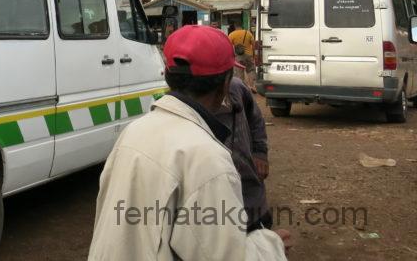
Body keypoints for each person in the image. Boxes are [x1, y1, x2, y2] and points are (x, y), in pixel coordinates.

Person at [88, 25, 290, 260]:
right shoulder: (208, 157)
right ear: (226, 84)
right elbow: (222, 254)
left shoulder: (133, 132)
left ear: (167, 75)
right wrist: (271, 246)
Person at [216, 76, 271, 230]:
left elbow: (255, 118)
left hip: (249, 190)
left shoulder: (236, 87)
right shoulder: (184, 104)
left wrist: (260, 152)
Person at [228, 22, 257, 92]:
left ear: (235, 27)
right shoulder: (248, 33)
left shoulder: (232, 34)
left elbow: (229, 46)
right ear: (242, 27)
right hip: (248, 55)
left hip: (238, 57)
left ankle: (241, 88)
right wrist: (253, 55)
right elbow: (253, 45)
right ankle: (252, 86)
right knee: (251, 70)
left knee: (239, 73)